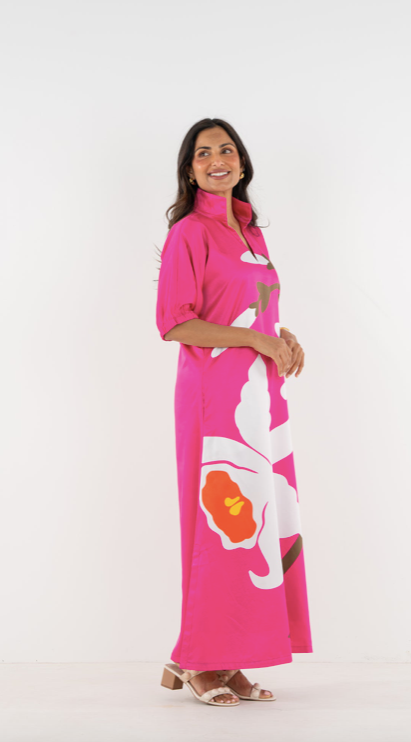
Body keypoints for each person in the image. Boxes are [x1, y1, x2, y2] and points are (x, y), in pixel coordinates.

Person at [156, 118, 313, 707]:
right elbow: (175, 323)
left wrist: (282, 336)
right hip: (214, 397)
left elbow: (253, 309)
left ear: (242, 164)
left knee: (255, 531)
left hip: (258, 397)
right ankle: (198, 659)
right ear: (190, 169)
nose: (216, 159)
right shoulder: (189, 233)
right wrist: (255, 340)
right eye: (203, 153)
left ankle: (229, 655)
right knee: (218, 527)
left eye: (226, 150)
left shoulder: (251, 234)